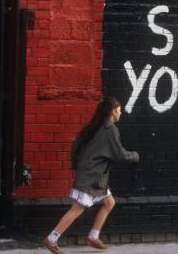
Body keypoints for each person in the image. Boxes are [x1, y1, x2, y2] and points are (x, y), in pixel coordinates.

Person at [44, 97, 139, 253]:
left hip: (95, 177)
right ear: (112, 112)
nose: (121, 113)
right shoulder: (110, 129)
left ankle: (93, 237)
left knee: (109, 203)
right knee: (77, 208)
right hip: (91, 177)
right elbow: (119, 155)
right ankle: (51, 239)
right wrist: (136, 156)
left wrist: (77, 164)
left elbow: (76, 147)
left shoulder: (95, 127)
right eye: (119, 110)